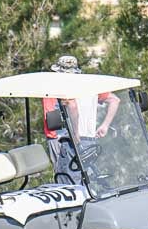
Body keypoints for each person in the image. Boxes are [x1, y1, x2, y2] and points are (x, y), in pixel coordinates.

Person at [42, 55, 119, 183]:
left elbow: (72, 107)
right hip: (90, 140)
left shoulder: (63, 87)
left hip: (68, 140)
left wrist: (75, 133)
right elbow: (115, 100)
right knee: (86, 182)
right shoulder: (90, 85)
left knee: (67, 182)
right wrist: (105, 125)